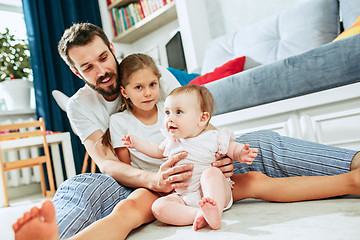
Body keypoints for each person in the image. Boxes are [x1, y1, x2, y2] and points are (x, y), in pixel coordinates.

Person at [12, 22, 360, 240]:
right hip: (133, 179)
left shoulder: (153, 73)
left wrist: (223, 155)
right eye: (88, 66)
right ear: (77, 73)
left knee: (259, 142)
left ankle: (354, 167)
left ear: (112, 49)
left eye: (103, 58)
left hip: (194, 167)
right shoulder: (82, 106)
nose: (102, 70)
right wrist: (151, 180)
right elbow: (107, 162)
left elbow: (199, 122)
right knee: (80, 186)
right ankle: (51, 235)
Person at [122, 84, 258, 231]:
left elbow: (232, 148)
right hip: (185, 197)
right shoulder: (172, 141)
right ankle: (199, 214)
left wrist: (241, 153)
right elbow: (155, 149)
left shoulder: (212, 137)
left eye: (178, 112)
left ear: (202, 118)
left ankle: (215, 211)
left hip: (215, 192)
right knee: (158, 207)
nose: (170, 119)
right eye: (167, 113)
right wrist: (137, 144)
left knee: (211, 173)